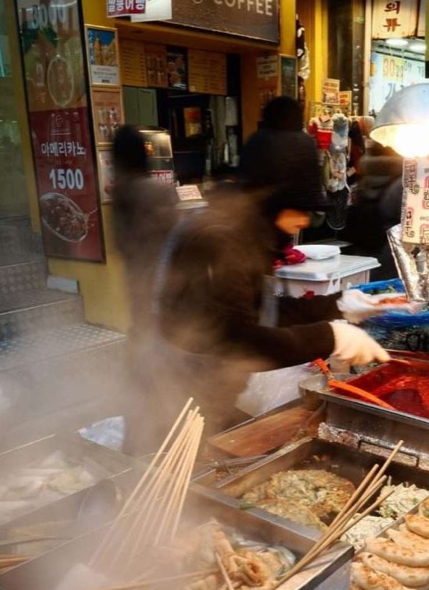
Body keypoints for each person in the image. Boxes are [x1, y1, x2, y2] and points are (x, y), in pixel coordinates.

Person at [153, 122, 389, 444]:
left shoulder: (243, 231)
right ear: (272, 200)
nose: (305, 221)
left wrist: (340, 305)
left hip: (207, 387)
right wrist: (331, 336)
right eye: (301, 208)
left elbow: (262, 307)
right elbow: (239, 341)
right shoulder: (221, 238)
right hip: (178, 395)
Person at [111, 125, 179, 455]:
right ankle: (164, 444)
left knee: (140, 365)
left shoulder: (119, 192)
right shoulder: (157, 191)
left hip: (137, 291)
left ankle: (134, 445)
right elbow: (176, 243)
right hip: (163, 295)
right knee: (164, 369)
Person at [343, 140, 403, 281]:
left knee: (364, 288)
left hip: (363, 244)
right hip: (389, 250)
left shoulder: (365, 177)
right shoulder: (402, 183)